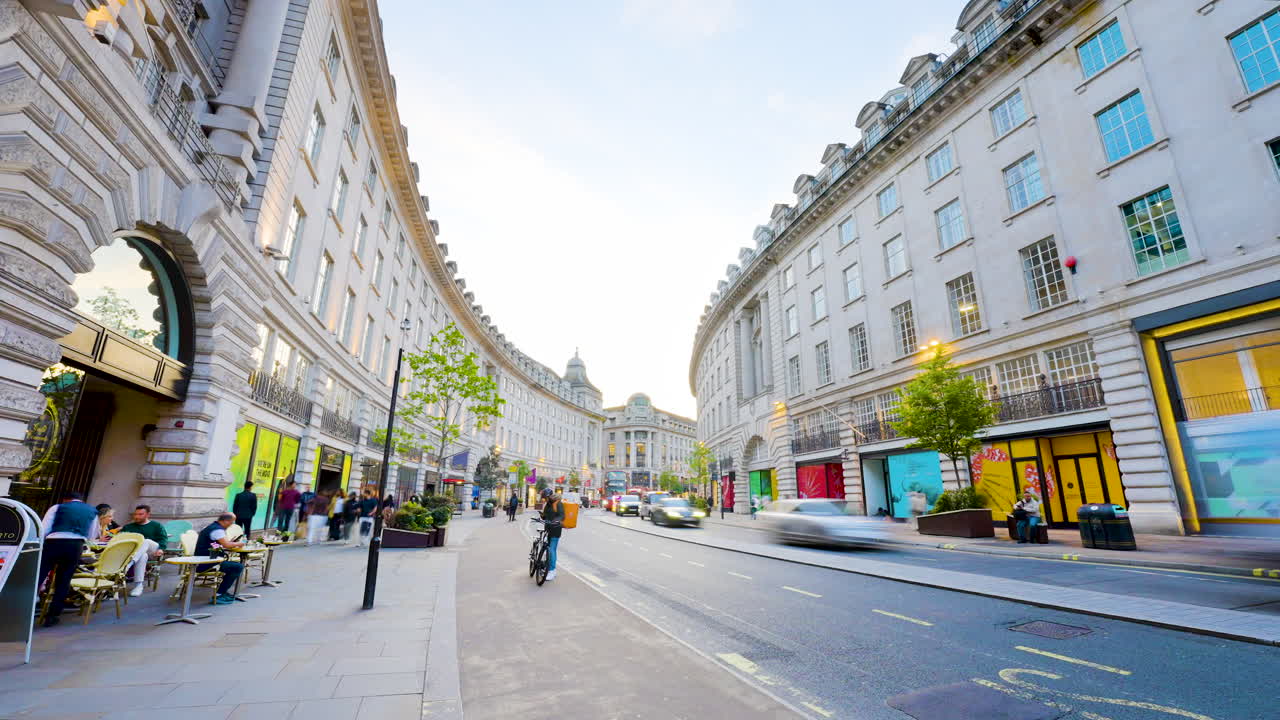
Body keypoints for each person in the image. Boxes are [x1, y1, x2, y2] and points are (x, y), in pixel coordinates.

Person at [38, 492, 98, 626]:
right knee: (64, 580)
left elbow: (43, 529)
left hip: (54, 543)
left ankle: (27, 609)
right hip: (75, 546)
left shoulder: (58, 507)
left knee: (39, 576)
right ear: (82, 501)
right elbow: (91, 535)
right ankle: (52, 616)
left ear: (66, 500)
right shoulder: (92, 511)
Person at [195, 512, 245, 604]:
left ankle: (223, 592)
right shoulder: (217, 530)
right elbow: (226, 544)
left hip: (204, 560)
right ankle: (219, 594)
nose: (232, 525)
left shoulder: (212, 527)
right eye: (232, 522)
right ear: (226, 521)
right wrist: (239, 543)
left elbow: (214, 544)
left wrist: (226, 545)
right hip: (207, 562)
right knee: (238, 567)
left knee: (234, 566)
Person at [119, 505, 168, 597]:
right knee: (142, 556)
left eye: (140, 514)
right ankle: (138, 586)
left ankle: (129, 564)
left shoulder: (156, 526)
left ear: (148, 514)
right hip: (136, 553)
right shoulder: (128, 527)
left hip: (153, 552)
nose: (137, 516)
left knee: (146, 541)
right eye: (136, 514)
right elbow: (119, 538)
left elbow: (163, 539)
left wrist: (161, 549)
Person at [539, 487, 564, 581]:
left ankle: (552, 571)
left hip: (556, 529)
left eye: (545, 497)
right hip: (548, 529)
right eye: (544, 498)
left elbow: (562, 515)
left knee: (552, 550)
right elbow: (545, 516)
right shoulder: (548, 505)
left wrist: (555, 521)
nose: (544, 499)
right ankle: (548, 567)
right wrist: (542, 516)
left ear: (549, 496)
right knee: (548, 549)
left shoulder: (558, 503)